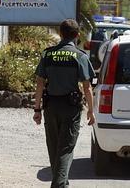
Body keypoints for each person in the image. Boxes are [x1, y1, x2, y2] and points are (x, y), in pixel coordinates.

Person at [33, 19, 96, 188]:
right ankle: (59, 185)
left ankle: (61, 182)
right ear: (77, 36)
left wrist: (37, 109)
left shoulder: (47, 54)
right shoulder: (80, 56)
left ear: (60, 34)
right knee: (66, 149)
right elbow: (87, 86)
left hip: (50, 107)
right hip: (70, 108)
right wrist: (91, 110)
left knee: (54, 148)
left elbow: (40, 83)